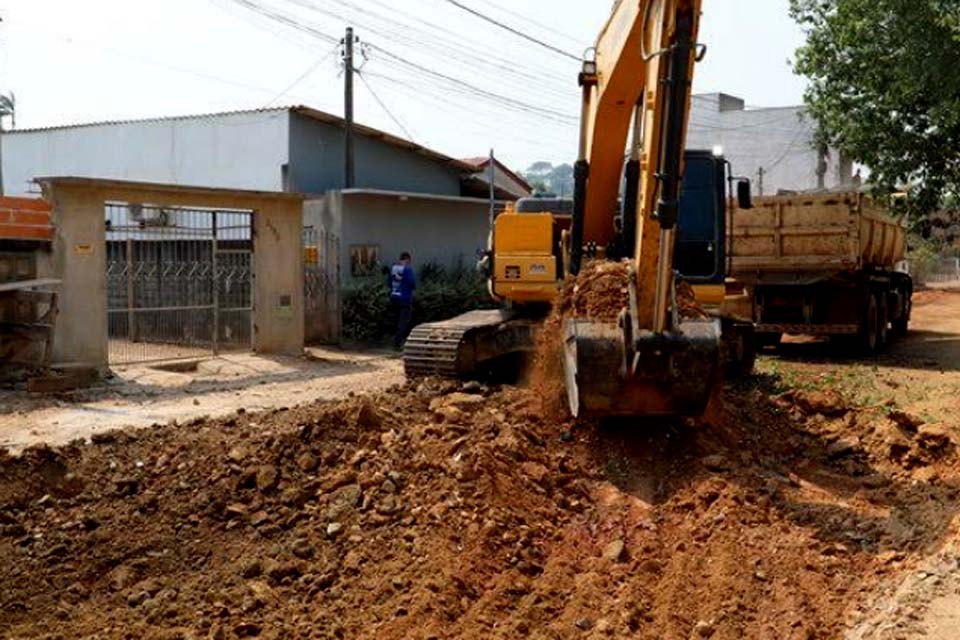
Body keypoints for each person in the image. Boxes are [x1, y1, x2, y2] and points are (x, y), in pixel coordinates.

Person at [388, 252, 417, 350]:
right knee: (403, 322)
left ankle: (395, 340)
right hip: (405, 298)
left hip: (394, 297)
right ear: (407, 259)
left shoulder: (393, 269)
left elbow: (389, 282)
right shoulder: (408, 269)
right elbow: (412, 283)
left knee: (396, 321)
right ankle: (398, 343)